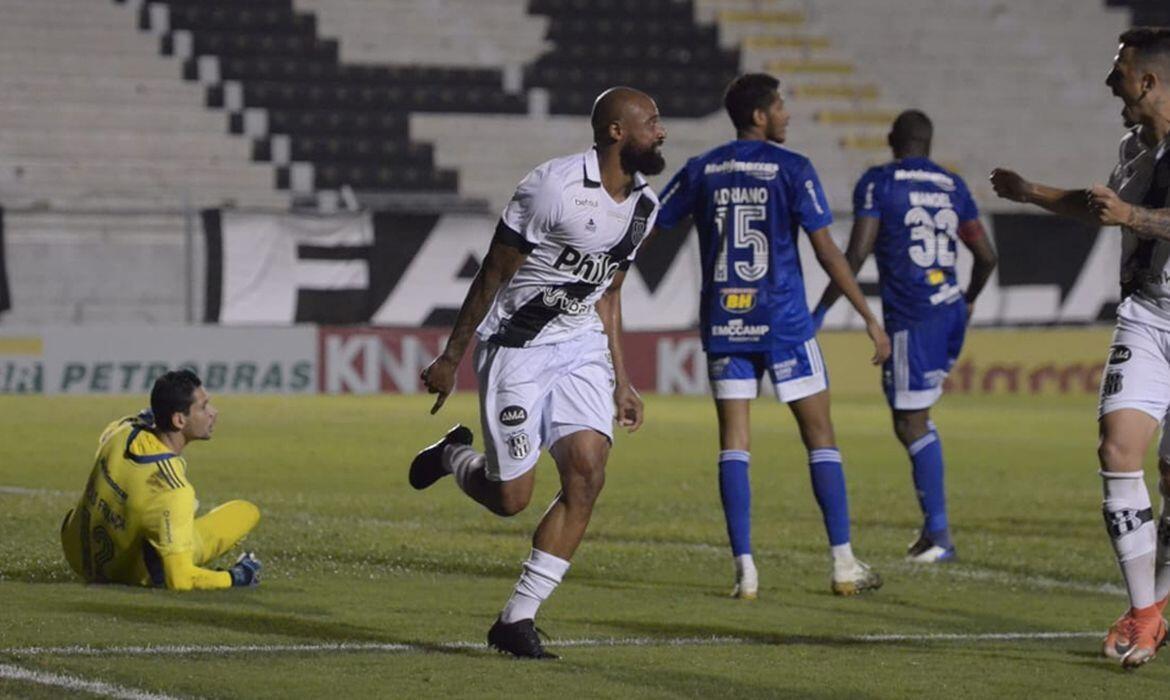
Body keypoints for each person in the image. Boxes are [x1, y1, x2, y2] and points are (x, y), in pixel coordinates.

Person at [411, 86, 665, 659]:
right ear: (617, 132)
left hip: (580, 348)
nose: (662, 131)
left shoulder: (646, 206)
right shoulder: (551, 186)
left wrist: (622, 380)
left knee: (587, 473)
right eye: (651, 121)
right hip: (516, 347)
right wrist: (452, 356)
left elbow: (609, 294)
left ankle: (517, 618)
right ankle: (454, 455)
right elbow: (494, 273)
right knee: (511, 499)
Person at [652, 73, 890, 600]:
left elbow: (651, 220)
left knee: (734, 444)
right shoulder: (793, 168)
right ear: (759, 115)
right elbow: (828, 251)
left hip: (725, 323)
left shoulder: (702, 168)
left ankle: (745, 570)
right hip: (784, 324)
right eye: (780, 105)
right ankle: (843, 563)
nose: (787, 114)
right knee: (820, 437)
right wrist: (868, 315)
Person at [990, 27, 1170, 668]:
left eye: (1119, 71)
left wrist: (1132, 219)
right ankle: (1146, 613)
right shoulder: (1132, 145)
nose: (1109, 82)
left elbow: (1129, 216)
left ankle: (1155, 603)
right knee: (1117, 448)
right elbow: (1103, 208)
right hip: (1148, 316)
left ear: (1148, 81)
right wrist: (1029, 192)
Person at [812, 110, 998, 563]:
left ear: (893, 139)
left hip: (914, 316)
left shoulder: (879, 182)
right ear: (928, 144)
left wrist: (818, 310)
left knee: (911, 421)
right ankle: (934, 533)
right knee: (913, 417)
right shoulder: (953, 186)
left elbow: (856, 253)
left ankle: (940, 536)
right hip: (949, 307)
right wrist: (968, 299)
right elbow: (986, 255)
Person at [60, 370, 261, 591]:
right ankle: (156, 563)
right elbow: (181, 580)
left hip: (76, 554)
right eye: (203, 407)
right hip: (122, 574)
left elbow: (128, 424)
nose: (213, 413)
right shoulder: (172, 491)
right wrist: (237, 576)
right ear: (178, 419)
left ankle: (153, 545)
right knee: (247, 513)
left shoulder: (121, 431)